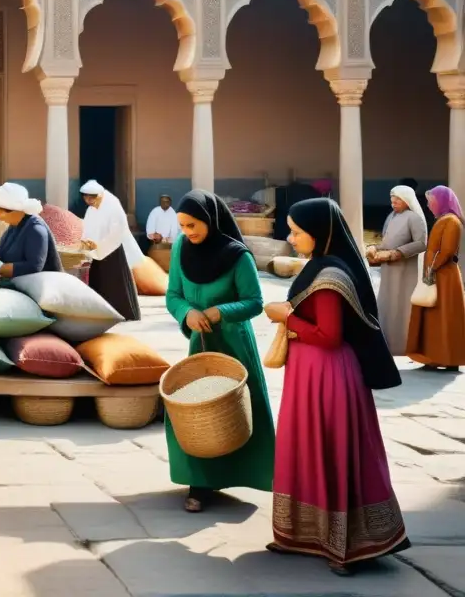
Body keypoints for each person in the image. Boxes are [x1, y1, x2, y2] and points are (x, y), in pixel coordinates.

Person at [265, 197, 407, 575]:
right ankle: (304, 534)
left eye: (297, 231)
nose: (290, 238)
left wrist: (287, 317)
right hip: (311, 375)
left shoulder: (330, 277)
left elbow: (328, 335)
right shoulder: (320, 265)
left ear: (320, 233)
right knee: (307, 449)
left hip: (328, 377)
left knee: (330, 451)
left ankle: (342, 545)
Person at [165, 190, 275, 513]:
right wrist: (187, 312)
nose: (188, 232)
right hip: (199, 345)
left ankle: (245, 473)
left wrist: (219, 312)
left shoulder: (237, 256)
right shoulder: (180, 249)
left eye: (193, 225)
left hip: (234, 345)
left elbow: (255, 302)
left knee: (237, 411)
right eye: (183, 226)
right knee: (195, 413)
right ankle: (199, 482)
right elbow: (172, 294)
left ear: (210, 220)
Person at [407, 186, 465, 371]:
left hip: (444, 277)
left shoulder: (451, 221)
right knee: (434, 319)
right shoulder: (444, 220)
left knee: (445, 318)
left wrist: (431, 269)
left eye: (431, 201)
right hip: (437, 274)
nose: (428, 205)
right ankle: (434, 357)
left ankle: (449, 358)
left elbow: (446, 251)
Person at [368, 185, 428, 355]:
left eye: (397, 199)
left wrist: (396, 253)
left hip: (405, 271)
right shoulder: (391, 216)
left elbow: (421, 243)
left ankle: (404, 345)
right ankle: (387, 344)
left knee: (402, 306)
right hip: (389, 270)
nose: (393, 202)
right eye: (392, 199)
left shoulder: (414, 218)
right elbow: (387, 241)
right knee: (388, 305)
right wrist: (375, 248)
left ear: (407, 200)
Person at [78, 179, 141, 321]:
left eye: (91, 197)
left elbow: (117, 231)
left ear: (99, 195)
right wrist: (86, 241)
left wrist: (100, 245)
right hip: (96, 252)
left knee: (115, 283)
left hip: (114, 251)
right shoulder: (91, 209)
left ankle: (124, 314)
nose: (88, 201)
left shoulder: (113, 206)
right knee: (98, 281)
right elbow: (87, 227)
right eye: (86, 197)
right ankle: (101, 313)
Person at [0, 183, 62, 283]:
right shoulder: (14, 226)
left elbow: (34, 266)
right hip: (15, 283)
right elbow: (4, 254)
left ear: (13, 210)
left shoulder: (36, 229)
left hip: (36, 286)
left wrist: (0, 268)